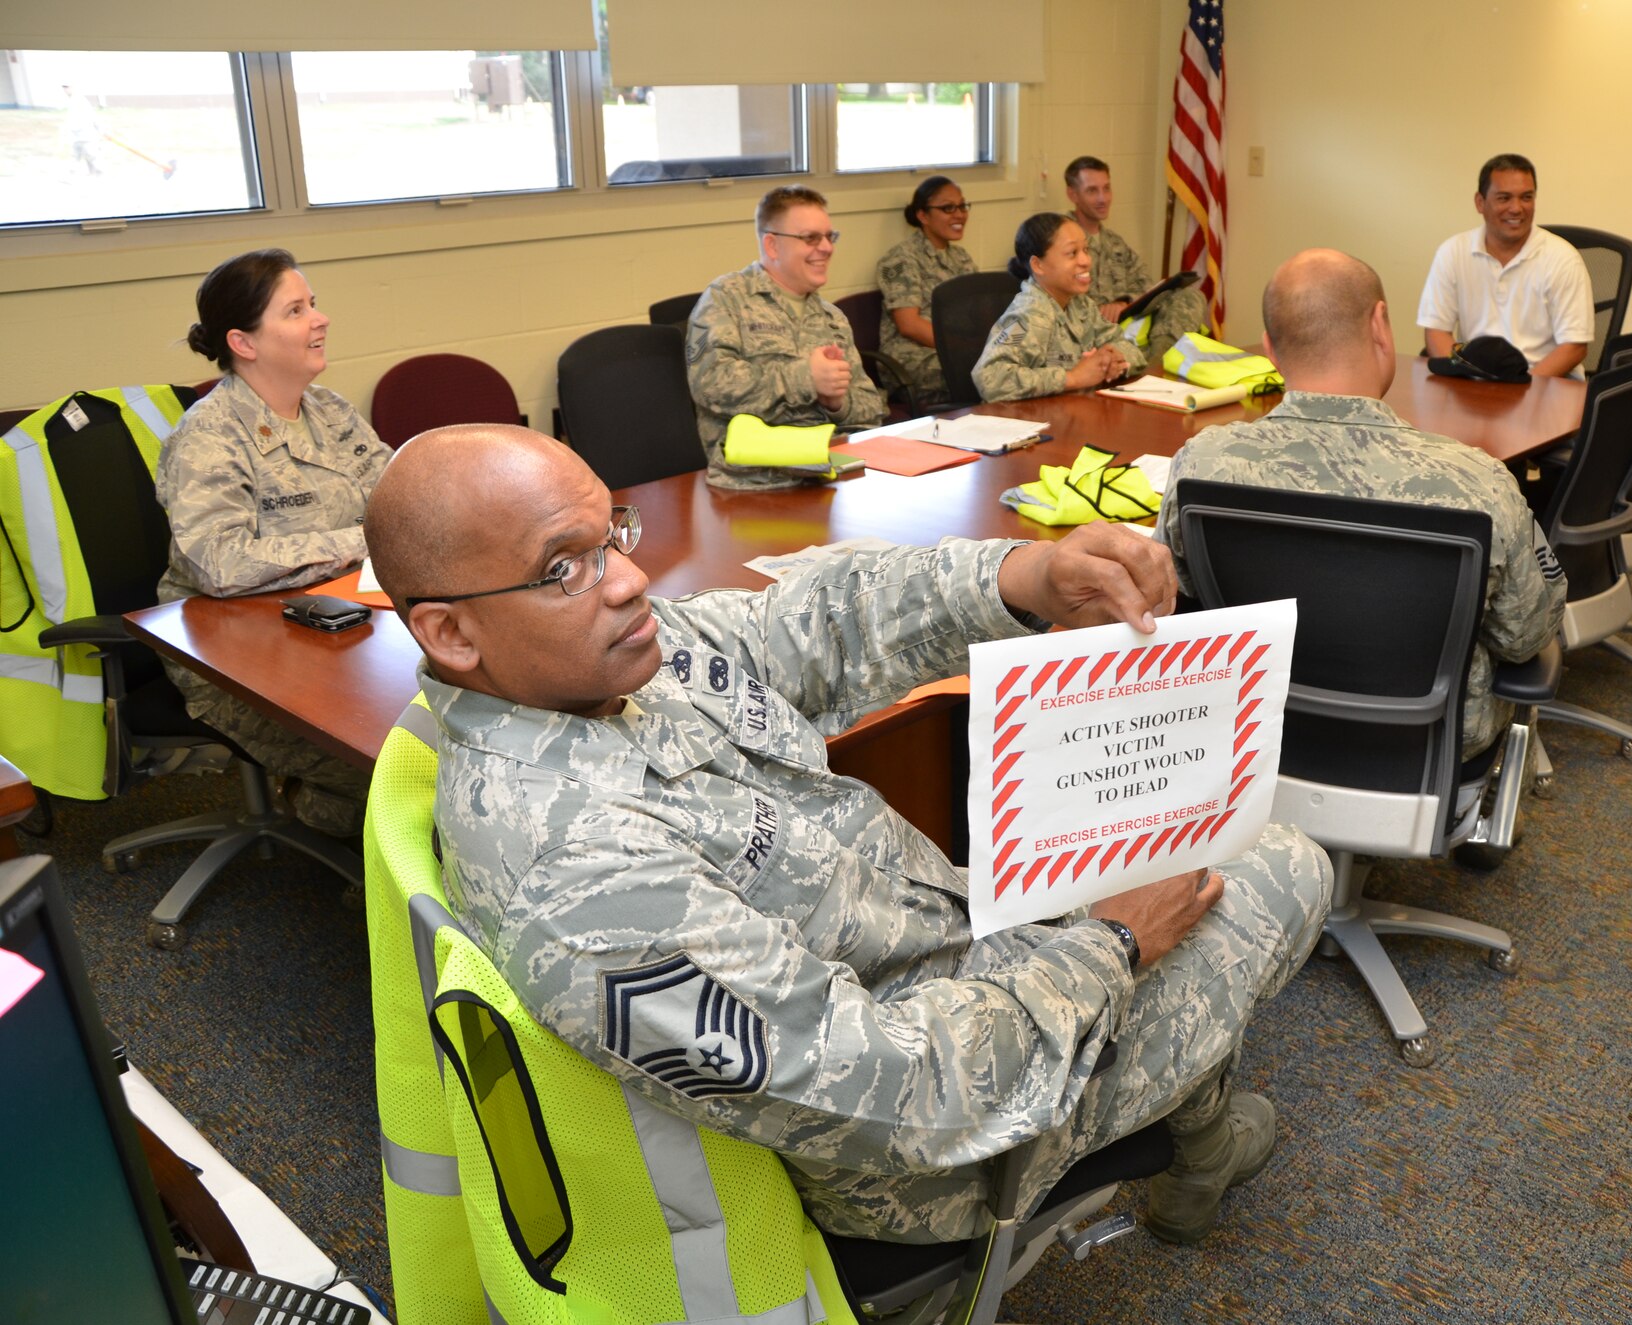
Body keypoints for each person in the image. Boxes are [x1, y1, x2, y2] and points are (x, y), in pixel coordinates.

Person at [363, 422, 1333, 1248]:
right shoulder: (584, 880)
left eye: (610, 534)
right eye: (562, 568)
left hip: (944, 946)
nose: (626, 580)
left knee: (1167, 822)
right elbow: (902, 1092)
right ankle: (1200, 1153)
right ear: (451, 633)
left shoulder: (587, 666)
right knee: (1276, 862)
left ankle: (1196, 1144)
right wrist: (1112, 942)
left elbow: (812, 619)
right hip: (929, 1148)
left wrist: (1023, 574)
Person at [1158, 249, 1567, 759]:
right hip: (1427, 746)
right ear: (1380, 326)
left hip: (1253, 732)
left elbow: (1174, 607)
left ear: (1269, 348)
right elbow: (1527, 634)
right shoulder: (1476, 481)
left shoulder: (1201, 463)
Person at [155, 249, 387, 837]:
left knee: (445, 736)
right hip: (233, 652)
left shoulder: (329, 410)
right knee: (395, 770)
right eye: (296, 310)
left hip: (339, 625)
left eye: (313, 304)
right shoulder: (208, 436)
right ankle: (310, 803)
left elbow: (396, 498)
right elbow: (220, 563)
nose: (320, 319)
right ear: (245, 342)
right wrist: (363, 540)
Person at [686, 186, 886, 491]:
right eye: (811, 238)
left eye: (829, 237)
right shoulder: (726, 300)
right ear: (772, 245)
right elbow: (711, 386)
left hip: (829, 479)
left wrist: (836, 403)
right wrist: (805, 378)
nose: (827, 248)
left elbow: (871, 412)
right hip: (752, 486)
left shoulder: (831, 318)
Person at [1415, 153, 1595, 381]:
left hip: (1546, 382)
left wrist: (1522, 386)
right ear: (1480, 203)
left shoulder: (1563, 259)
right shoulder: (1452, 252)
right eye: (1504, 198)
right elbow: (1436, 330)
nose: (1517, 208)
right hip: (1475, 381)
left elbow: (1574, 347)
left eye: (1526, 197)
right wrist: (1461, 374)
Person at [973, 213, 1146, 403]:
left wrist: (1115, 361)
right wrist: (1072, 378)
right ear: (1038, 265)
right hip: (1028, 423)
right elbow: (990, 378)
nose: (1085, 261)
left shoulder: (1081, 304)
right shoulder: (1025, 317)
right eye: (1072, 253)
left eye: (1086, 250)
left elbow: (1127, 346)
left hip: (1072, 413)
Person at [1063, 155, 1209, 350]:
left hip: (1129, 322)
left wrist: (1124, 301)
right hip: (1091, 331)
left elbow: (1145, 284)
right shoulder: (1060, 240)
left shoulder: (1114, 242)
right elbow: (1058, 295)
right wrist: (1102, 308)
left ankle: (1159, 357)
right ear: (1073, 195)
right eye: (1092, 191)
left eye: (1106, 188)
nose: (1102, 198)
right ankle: (1159, 364)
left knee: (1190, 296)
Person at [875, 174, 978, 406]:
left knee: (1007, 365)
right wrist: (964, 348)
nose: (959, 214)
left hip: (957, 351)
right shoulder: (901, 259)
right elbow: (909, 325)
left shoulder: (961, 258)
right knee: (982, 373)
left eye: (962, 206)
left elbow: (978, 313)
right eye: (948, 208)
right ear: (923, 215)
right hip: (912, 356)